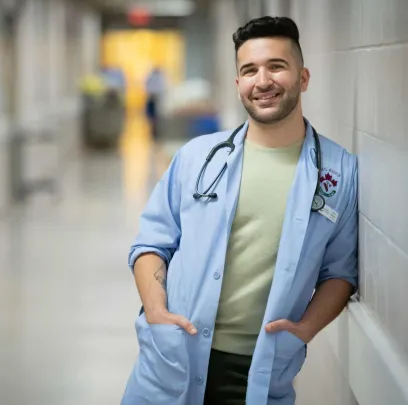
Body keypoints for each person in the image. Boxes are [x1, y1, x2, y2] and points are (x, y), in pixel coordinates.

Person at [121, 16, 358, 405]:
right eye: (249, 70)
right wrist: (156, 311)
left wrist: (306, 329)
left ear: (303, 78)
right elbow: (151, 243)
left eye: (276, 66)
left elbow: (340, 273)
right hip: (173, 361)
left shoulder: (339, 173)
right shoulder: (197, 157)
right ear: (238, 85)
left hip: (260, 373)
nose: (262, 81)